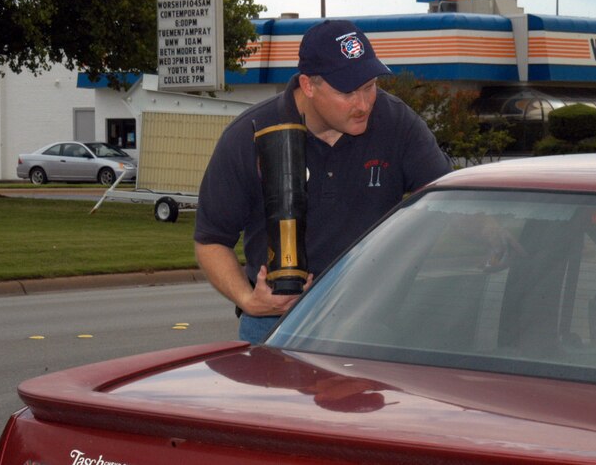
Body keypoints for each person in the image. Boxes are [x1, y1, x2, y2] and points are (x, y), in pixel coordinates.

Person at [194, 19, 453, 344]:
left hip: (375, 321)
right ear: (308, 85)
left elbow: (448, 198)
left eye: (369, 85)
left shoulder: (397, 123)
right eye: (348, 91)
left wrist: (496, 235)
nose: (364, 104)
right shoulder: (250, 134)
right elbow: (211, 239)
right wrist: (249, 301)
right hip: (276, 326)